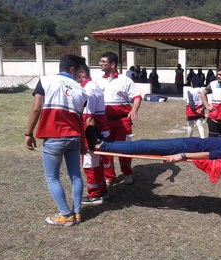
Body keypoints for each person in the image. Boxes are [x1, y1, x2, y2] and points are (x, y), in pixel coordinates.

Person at [25, 54, 89, 227]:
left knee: (52, 177)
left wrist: (28, 134)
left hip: (54, 136)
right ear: (72, 70)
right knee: (75, 175)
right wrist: (82, 141)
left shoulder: (45, 81)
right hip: (75, 137)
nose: (79, 75)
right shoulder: (81, 90)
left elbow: (36, 108)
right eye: (78, 72)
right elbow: (80, 119)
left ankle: (65, 215)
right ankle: (76, 213)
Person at [85, 125, 221, 183]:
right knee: (143, 144)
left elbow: (211, 155)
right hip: (184, 144)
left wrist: (183, 155)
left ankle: (102, 145)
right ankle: (104, 143)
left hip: (183, 147)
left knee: (143, 145)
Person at [96, 52, 142, 186]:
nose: (101, 64)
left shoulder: (125, 80)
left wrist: (134, 110)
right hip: (104, 122)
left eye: (104, 62)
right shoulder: (98, 80)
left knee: (125, 148)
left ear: (112, 64)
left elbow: (136, 96)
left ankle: (127, 173)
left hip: (122, 120)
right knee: (106, 149)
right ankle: (109, 176)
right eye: (100, 61)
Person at [79, 63, 110, 205]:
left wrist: (87, 140)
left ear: (82, 72)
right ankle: (101, 190)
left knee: (89, 163)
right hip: (99, 130)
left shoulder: (88, 90)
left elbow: (89, 117)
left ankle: (95, 194)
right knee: (96, 163)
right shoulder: (94, 87)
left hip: (91, 132)